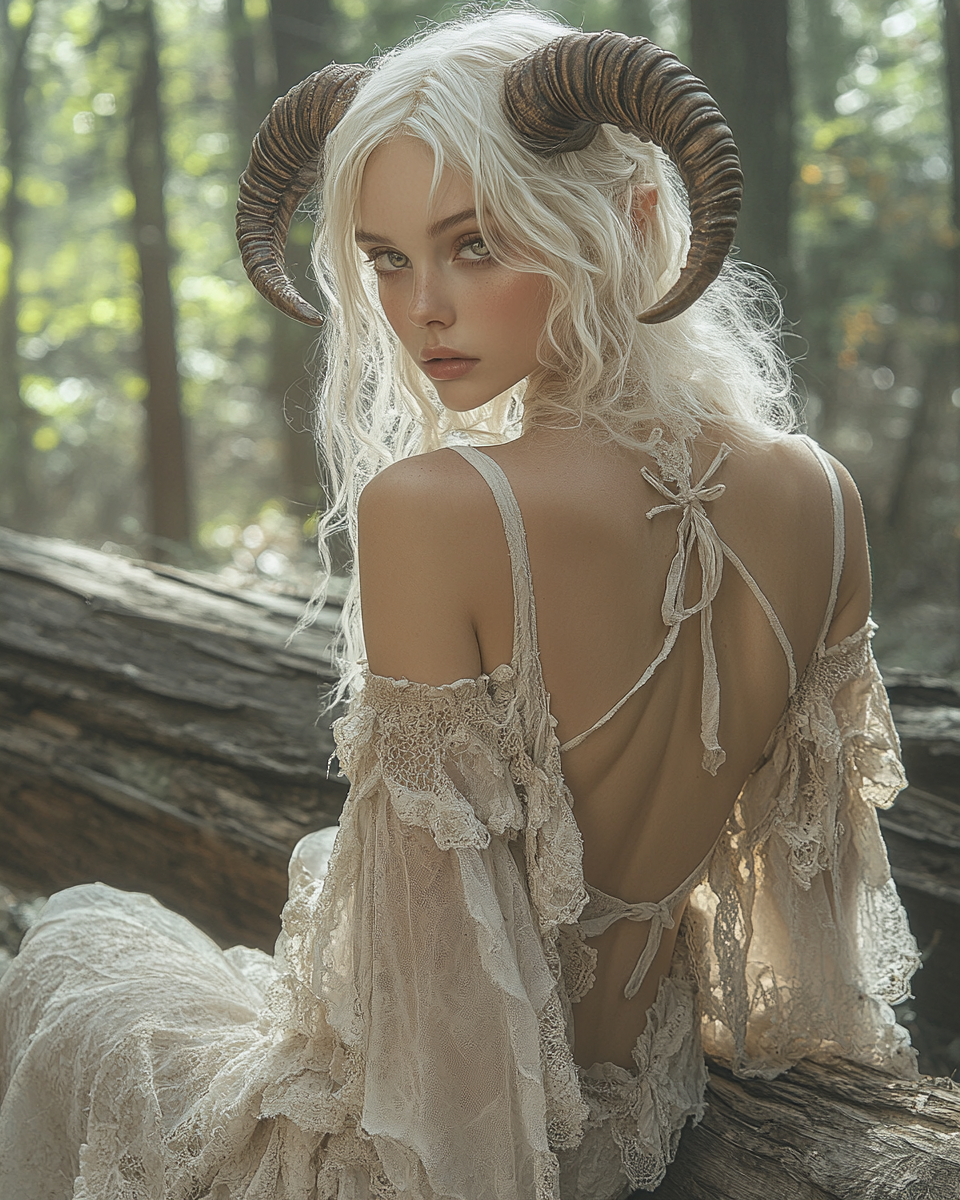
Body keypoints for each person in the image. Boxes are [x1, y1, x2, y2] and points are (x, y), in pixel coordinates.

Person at [0, 10, 920, 1199]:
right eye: (384, 258)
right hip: (640, 1108)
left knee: (76, 940)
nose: (420, 306)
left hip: (440, 1156)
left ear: (632, 221)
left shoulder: (440, 505)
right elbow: (802, 922)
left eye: (476, 243)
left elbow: (440, 1048)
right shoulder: (822, 495)